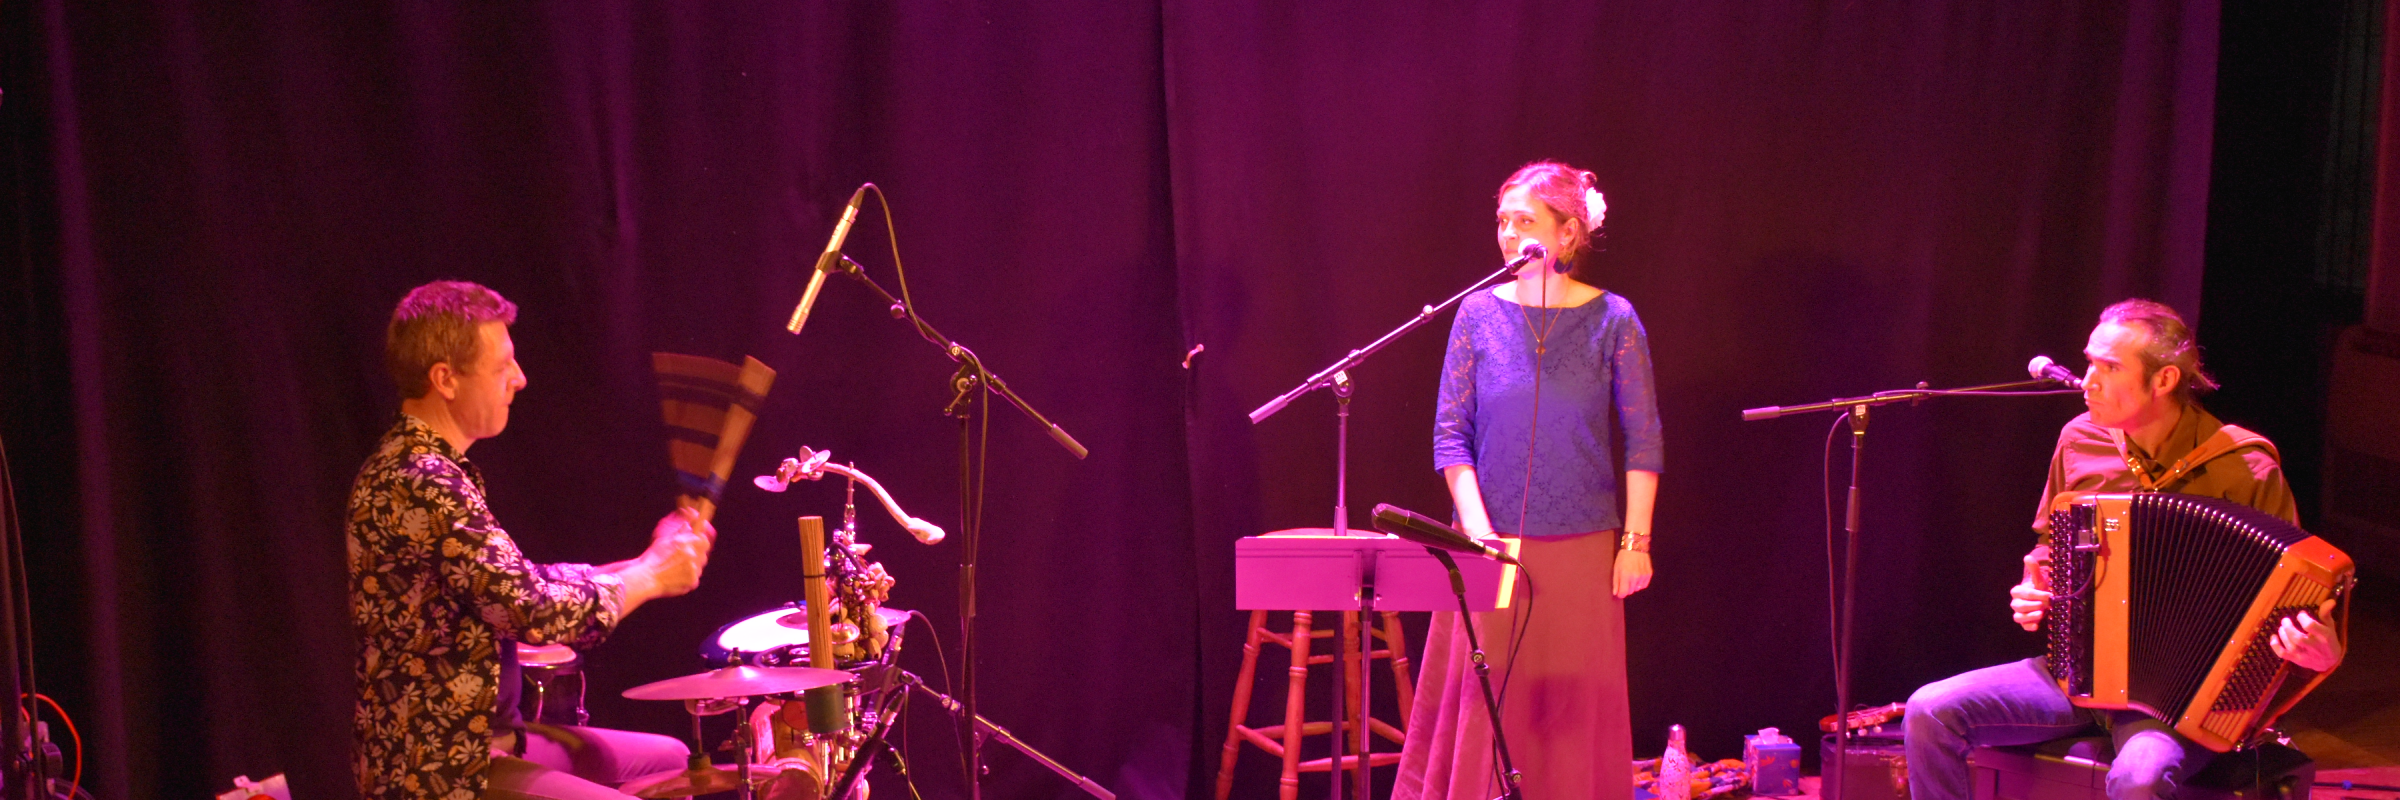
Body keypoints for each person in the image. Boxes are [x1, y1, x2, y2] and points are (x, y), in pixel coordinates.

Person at [1903, 299, 2345, 800]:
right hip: (2079, 676)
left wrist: (2320, 650)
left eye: (2109, 367)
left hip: (2183, 703)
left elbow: (2295, 593)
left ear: (2164, 381)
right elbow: (2050, 547)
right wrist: (2034, 586)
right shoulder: (2080, 440)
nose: (2088, 380)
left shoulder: (2245, 465)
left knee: (2141, 778)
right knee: (1929, 710)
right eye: (2090, 361)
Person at [348, 280, 714, 800]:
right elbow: (534, 613)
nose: (519, 379)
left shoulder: (429, 469)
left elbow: (520, 583)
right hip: (441, 768)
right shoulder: (418, 479)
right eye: (502, 367)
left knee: (674, 761)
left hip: (488, 738)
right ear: (445, 379)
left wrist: (642, 562)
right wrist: (652, 574)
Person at [1394, 161, 1663, 800]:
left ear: (1568, 234)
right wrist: (1479, 535)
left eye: (1526, 222)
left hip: (1581, 551)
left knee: (1568, 720)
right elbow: (1450, 437)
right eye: (1503, 222)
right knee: (1486, 713)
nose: (1511, 236)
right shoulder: (1475, 316)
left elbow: (1644, 440)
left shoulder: (1614, 320)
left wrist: (1636, 543)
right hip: (1487, 550)